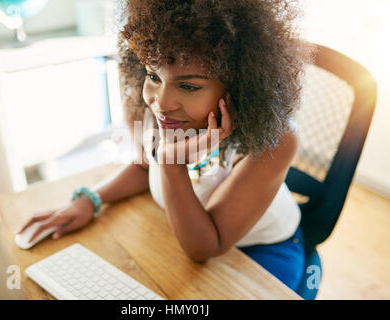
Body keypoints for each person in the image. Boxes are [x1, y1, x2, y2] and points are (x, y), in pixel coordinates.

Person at [18, 0, 313, 292]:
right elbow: (146, 166)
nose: (161, 101)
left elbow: (206, 246)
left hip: (264, 253)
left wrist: (172, 164)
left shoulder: (278, 142)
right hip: (182, 232)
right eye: (153, 75)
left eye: (188, 86)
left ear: (239, 85)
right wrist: (91, 199)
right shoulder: (161, 113)